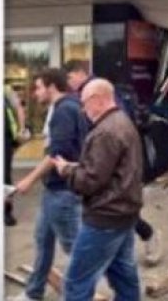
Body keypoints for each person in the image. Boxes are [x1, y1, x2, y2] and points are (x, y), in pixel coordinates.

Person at [64, 58, 162, 265]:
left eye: (70, 77)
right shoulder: (85, 94)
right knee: (123, 263)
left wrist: (76, 167)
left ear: (81, 73)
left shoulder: (99, 91)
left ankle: (149, 234)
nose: (69, 82)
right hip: (98, 157)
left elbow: (113, 128)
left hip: (106, 158)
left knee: (115, 204)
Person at [53, 78, 143, 301]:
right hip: (124, 213)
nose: (83, 111)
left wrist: (66, 170)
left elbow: (89, 181)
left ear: (97, 99)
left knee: (76, 282)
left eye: (84, 104)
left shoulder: (105, 131)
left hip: (105, 217)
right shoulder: (122, 121)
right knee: (124, 276)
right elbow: (111, 169)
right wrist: (81, 167)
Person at [8, 69, 88, 301]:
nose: (35, 93)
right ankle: (34, 293)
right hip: (54, 191)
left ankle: (77, 296)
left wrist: (28, 180)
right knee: (43, 241)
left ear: (52, 86)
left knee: (75, 250)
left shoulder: (64, 111)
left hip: (63, 193)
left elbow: (57, 155)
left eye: (39, 87)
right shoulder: (70, 105)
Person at [4, 84, 27, 226]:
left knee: (4, 176)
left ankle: (6, 211)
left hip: (4, 138)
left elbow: (18, 108)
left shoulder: (5, 89)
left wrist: (22, 128)